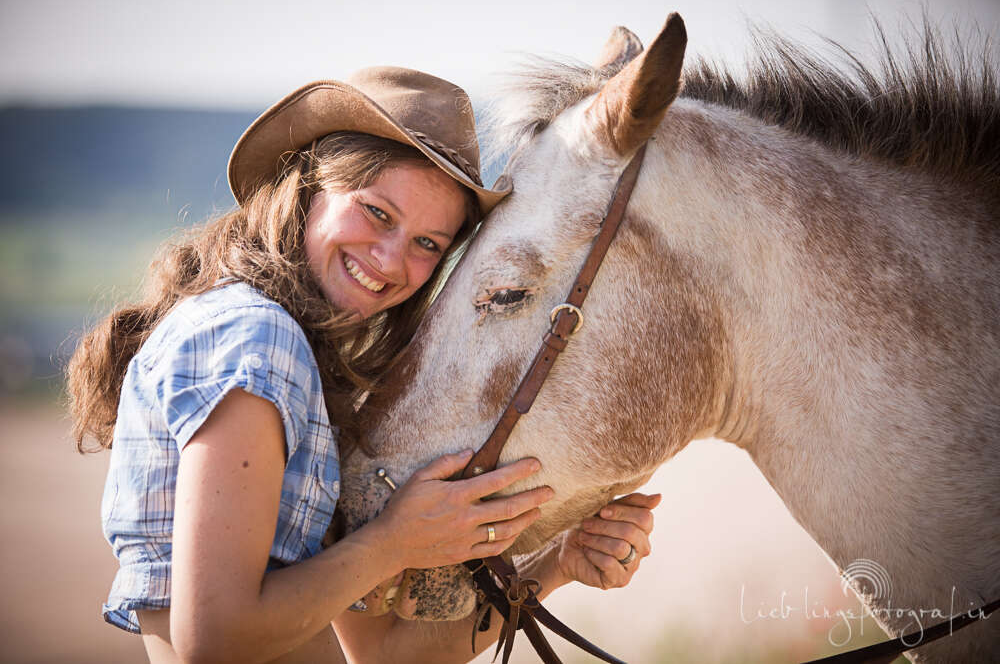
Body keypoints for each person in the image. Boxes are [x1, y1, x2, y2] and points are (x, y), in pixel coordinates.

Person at [67, 66, 661, 663]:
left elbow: (384, 655)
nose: (390, 259)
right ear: (307, 188)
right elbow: (214, 639)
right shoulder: (257, 337)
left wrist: (554, 564)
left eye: (429, 243)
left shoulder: (283, 351)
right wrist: (395, 540)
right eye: (378, 214)